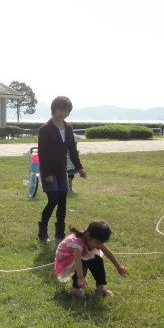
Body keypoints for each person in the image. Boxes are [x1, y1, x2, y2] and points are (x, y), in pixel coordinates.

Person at [37, 96, 86, 241]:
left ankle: (60, 233)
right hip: (49, 171)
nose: (64, 113)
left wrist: (79, 168)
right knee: (53, 199)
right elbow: (42, 153)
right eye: (62, 110)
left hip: (61, 170)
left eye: (67, 111)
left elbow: (72, 150)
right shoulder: (45, 129)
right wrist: (48, 173)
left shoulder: (68, 128)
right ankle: (42, 231)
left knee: (63, 200)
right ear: (54, 109)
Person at [54, 220, 129, 298]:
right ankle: (75, 289)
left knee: (97, 260)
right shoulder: (77, 243)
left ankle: (100, 287)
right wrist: (81, 278)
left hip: (80, 258)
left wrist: (119, 267)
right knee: (84, 261)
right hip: (66, 261)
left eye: (101, 243)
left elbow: (108, 254)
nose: (99, 245)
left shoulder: (95, 239)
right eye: (97, 242)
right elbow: (77, 261)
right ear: (88, 236)